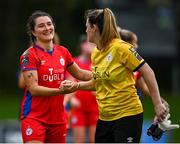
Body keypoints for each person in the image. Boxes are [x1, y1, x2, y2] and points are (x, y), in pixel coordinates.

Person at [60, 8, 167, 143]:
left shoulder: (121, 47)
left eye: (87, 26)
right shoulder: (96, 53)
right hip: (105, 118)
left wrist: (157, 104)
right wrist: (76, 86)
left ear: (94, 28)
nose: (86, 30)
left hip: (128, 116)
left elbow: (148, 72)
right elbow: (99, 81)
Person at [19, 10, 92, 143]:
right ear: (34, 32)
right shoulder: (28, 55)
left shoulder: (63, 51)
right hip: (34, 117)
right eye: (41, 26)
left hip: (58, 119)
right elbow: (34, 89)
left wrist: (104, 74)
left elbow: (80, 74)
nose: (47, 28)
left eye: (49, 24)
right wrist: (61, 91)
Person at [64, 34, 98, 143]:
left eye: (93, 44)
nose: (91, 46)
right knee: (79, 140)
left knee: (94, 140)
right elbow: (70, 81)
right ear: (82, 45)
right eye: (88, 43)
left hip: (96, 107)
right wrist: (71, 99)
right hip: (79, 108)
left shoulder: (98, 63)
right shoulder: (74, 62)